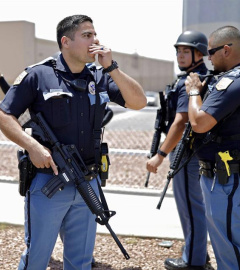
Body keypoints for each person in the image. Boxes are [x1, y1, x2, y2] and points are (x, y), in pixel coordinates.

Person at [0, 14, 146, 270]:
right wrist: (31, 146)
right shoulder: (38, 75)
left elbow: (139, 102)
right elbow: (5, 114)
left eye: (94, 34)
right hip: (49, 180)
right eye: (87, 35)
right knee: (37, 258)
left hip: (87, 181)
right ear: (65, 41)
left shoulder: (100, 77)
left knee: (80, 262)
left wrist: (112, 68)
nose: (95, 41)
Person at [185, 26, 240, 270]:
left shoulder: (236, 80)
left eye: (211, 52)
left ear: (227, 49)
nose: (208, 58)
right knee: (225, 242)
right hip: (228, 175)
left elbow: (199, 123)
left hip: (230, 178)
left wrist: (193, 92)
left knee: (232, 244)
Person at [146, 30, 211, 270]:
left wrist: (160, 155)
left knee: (190, 206)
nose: (180, 56)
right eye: (178, 51)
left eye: (186, 51)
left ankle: (193, 261)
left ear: (199, 53)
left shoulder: (192, 80)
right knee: (195, 205)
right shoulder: (202, 76)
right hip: (197, 151)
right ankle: (198, 253)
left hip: (187, 152)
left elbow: (181, 121)